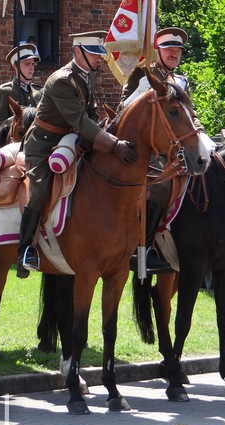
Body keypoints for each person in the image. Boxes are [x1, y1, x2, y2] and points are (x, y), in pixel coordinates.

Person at [17, 30, 138, 278]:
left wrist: (102, 130)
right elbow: (81, 120)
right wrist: (114, 144)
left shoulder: (86, 77)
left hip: (72, 139)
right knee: (40, 187)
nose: (98, 60)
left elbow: (91, 114)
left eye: (99, 55)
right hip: (43, 142)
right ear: (77, 52)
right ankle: (25, 249)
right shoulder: (61, 80)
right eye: (94, 55)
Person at [119, 27, 207, 272]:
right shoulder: (141, 74)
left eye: (177, 51)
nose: (174, 54)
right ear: (158, 50)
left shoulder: (181, 81)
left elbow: (191, 116)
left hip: (176, 144)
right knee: (161, 187)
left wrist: (200, 135)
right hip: (148, 147)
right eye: (169, 49)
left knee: (208, 175)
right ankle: (144, 246)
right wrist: (142, 91)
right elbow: (123, 109)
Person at [0, 43, 44, 132]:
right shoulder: (5, 91)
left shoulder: (40, 91)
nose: (31, 68)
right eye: (27, 64)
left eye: (32, 64)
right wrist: (18, 118)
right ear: (15, 66)